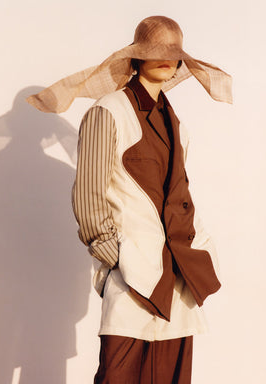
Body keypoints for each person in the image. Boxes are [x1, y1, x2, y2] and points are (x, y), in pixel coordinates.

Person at [27, 15, 233, 383]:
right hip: (133, 272)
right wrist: (115, 255)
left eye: (173, 52)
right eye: (155, 51)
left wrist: (200, 249)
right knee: (118, 376)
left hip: (178, 272)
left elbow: (183, 194)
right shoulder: (108, 111)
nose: (166, 58)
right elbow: (88, 193)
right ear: (136, 58)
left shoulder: (176, 122)